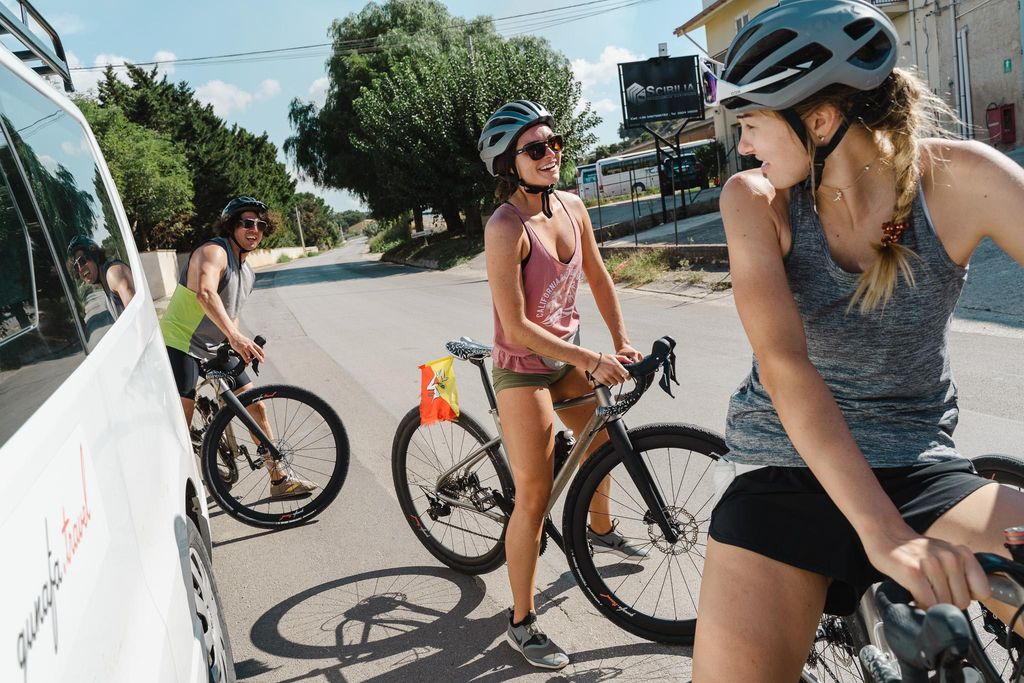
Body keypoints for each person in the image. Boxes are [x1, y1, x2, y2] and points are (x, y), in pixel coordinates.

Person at [692, 1, 1024, 680]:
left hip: (917, 466)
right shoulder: (752, 200)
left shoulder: (964, 181)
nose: (746, 144)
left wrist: (901, 526)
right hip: (781, 471)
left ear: (817, 121)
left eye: (751, 123)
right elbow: (785, 365)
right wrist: (888, 536)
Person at [478, 100, 646, 670]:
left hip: (567, 356)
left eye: (554, 143)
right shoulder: (505, 228)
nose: (551, 154)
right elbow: (520, 325)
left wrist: (620, 342)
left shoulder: (573, 206)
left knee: (601, 445)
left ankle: (598, 530)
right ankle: (520, 623)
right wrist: (592, 358)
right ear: (509, 163)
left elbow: (597, 275)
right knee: (534, 493)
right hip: (522, 367)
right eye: (535, 149)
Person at [160, 196, 315, 498]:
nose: (254, 229)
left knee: (256, 406)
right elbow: (206, 293)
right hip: (180, 342)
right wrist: (234, 336)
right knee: (182, 418)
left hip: (214, 346)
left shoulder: (248, 271)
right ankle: (175, 493)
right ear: (231, 225)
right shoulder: (214, 252)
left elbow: (231, 311)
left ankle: (279, 479)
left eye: (260, 224)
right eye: (247, 223)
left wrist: (237, 341)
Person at [67, 234, 135, 316]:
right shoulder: (105, 284)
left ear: (94, 256)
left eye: (82, 261)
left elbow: (137, 313)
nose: (80, 269)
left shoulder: (113, 273)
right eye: (76, 267)